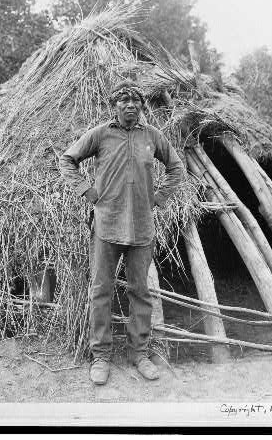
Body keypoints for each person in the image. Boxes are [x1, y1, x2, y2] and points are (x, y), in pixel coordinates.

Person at [59, 80, 184, 385]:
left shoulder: (152, 137)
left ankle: (139, 353)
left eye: (135, 102)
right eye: (123, 101)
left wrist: (158, 198)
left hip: (142, 227)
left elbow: (176, 168)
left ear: (142, 107)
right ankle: (100, 356)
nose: (130, 106)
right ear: (114, 106)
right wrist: (87, 191)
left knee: (140, 292)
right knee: (101, 291)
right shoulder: (101, 134)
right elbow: (67, 160)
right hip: (107, 224)